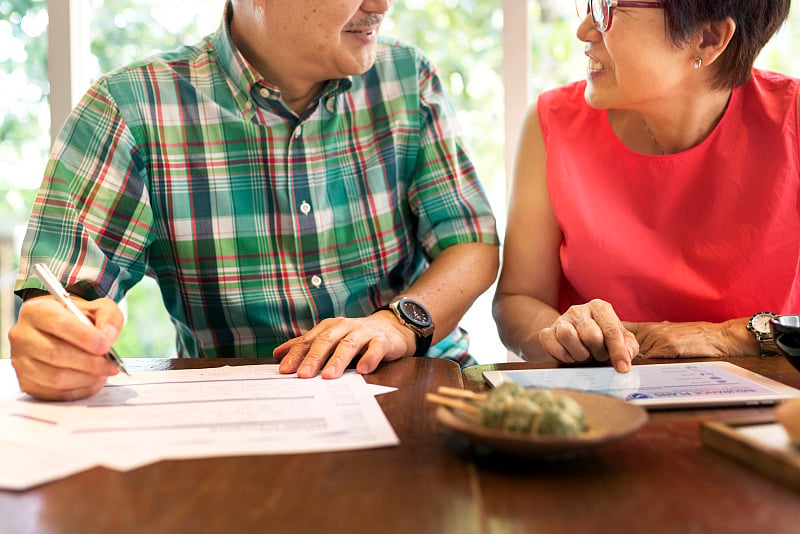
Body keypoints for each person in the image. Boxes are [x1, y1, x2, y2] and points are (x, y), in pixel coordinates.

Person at [10, 0, 500, 401]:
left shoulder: (407, 78)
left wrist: (397, 323)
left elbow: (470, 243)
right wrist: (54, 339)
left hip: (423, 387)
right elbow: (63, 296)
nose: (382, 5)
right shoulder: (130, 106)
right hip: (243, 417)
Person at [493, 0, 799, 373]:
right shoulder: (552, 124)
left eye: (608, 8)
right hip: (605, 412)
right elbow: (517, 300)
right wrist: (564, 333)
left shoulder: (792, 121)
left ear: (707, 38)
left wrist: (725, 336)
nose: (584, 30)